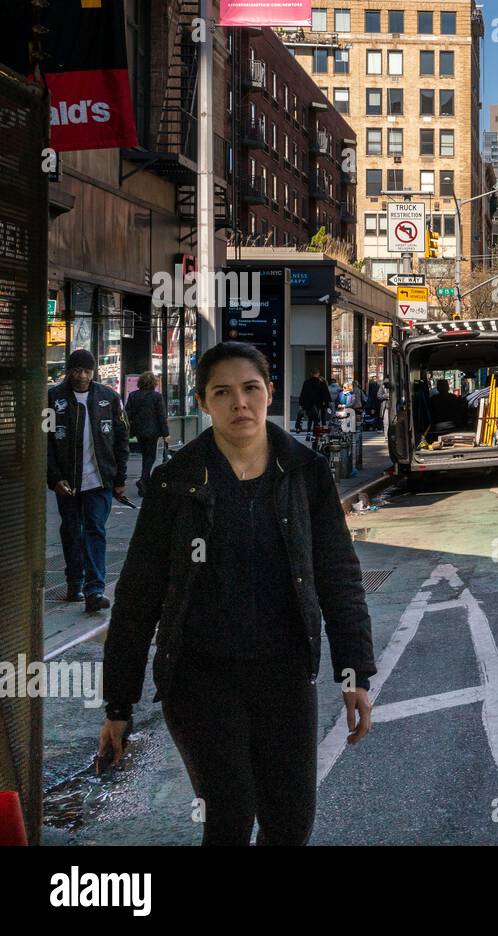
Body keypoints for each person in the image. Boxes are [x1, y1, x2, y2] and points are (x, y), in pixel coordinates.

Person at [99, 341, 376, 846]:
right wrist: (118, 703)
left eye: (250, 389)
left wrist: (354, 672)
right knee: (228, 818)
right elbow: (138, 597)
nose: (239, 403)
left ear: (269, 392)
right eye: (222, 392)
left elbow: (338, 577)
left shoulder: (305, 472)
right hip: (199, 680)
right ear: (203, 402)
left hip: (285, 675)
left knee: (290, 826)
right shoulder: (173, 484)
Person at [48, 348, 129, 612]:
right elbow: (45, 443)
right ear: (69, 371)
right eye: (77, 370)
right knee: (72, 531)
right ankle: (74, 581)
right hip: (68, 483)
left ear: (93, 371)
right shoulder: (53, 398)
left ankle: (95, 589)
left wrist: (119, 479)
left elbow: (121, 439)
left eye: (87, 370)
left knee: (95, 529)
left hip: (99, 480)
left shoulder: (108, 397)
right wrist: (55, 478)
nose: (82, 376)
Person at [124, 372, 171, 496]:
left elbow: (127, 414)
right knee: (151, 456)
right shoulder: (157, 397)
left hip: (139, 431)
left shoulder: (133, 395)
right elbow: (161, 416)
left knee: (146, 455)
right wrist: (166, 433)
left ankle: (145, 481)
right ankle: (144, 479)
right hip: (153, 431)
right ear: (154, 383)